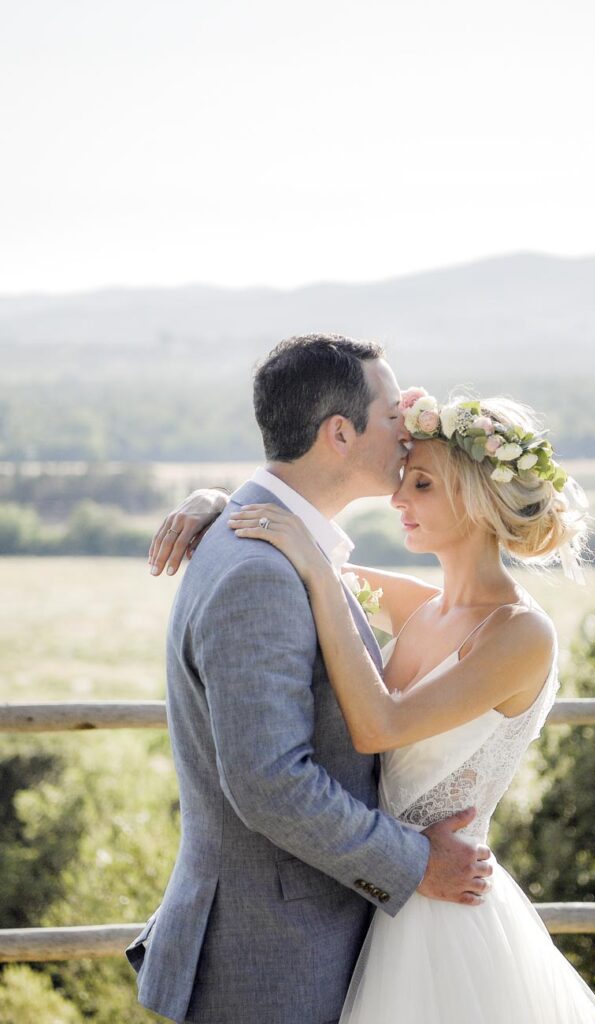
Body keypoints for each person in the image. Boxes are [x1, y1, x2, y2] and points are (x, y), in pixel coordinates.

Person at [175, 387, 595, 1021]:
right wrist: (220, 508)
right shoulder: (426, 605)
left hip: (444, 912)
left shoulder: (520, 633)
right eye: (404, 480)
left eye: (423, 486)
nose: (398, 499)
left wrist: (320, 574)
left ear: (478, 499)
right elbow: (286, 546)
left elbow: (379, 726)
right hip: (380, 895)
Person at [127, 335, 493, 1024]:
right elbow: (271, 784)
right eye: (392, 415)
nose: (407, 433)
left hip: (287, 940)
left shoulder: (269, 545)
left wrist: (216, 499)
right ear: (338, 433)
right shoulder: (257, 573)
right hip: (269, 957)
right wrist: (414, 864)